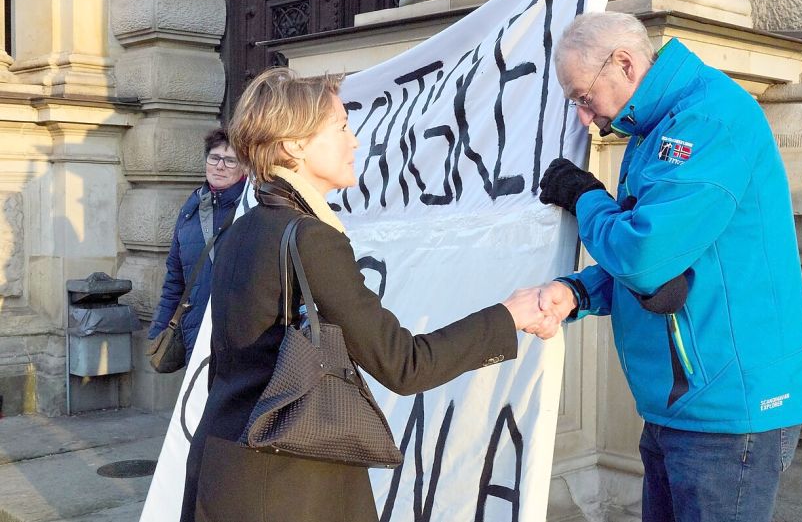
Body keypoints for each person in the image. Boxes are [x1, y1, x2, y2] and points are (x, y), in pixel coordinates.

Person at [181, 67, 553, 522]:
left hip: (222, 468)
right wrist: (509, 316)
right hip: (288, 486)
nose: (355, 141)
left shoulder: (240, 229)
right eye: (340, 126)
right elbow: (404, 364)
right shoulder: (310, 238)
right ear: (295, 144)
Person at [535, 12, 802, 522]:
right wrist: (578, 292)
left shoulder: (708, 121)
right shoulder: (656, 127)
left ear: (623, 64)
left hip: (727, 413)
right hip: (686, 404)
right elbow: (661, 256)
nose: (584, 116)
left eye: (583, 97)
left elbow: (645, 258)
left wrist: (585, 198)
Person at [148, 128, 247, 365]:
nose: (220, 166)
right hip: (195, 330)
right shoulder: (190, 210)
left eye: (230, 161)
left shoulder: (250, 208)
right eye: (214, 158)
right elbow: (175, 279)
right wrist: (159, 330)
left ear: (245, 167)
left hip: (239, 334)